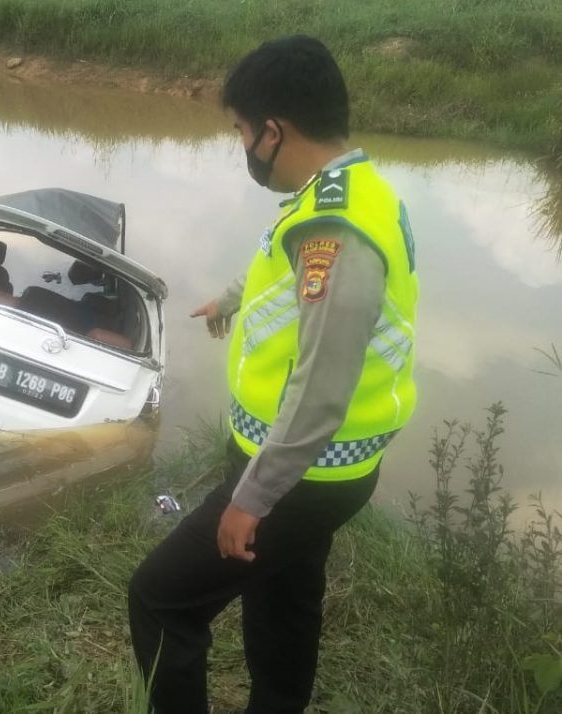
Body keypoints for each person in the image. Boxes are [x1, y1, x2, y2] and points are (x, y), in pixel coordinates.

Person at [128, 35, 418, 714]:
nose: (241, 147)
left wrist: (252, 498)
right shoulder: (354, 189)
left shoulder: (334, 229)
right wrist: (230, 298)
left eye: (239, 131)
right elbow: (285, 271)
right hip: (324, 469)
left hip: (296, 475)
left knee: (161, 597)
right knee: (283, 596)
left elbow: (323, 387)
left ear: (272, 132)